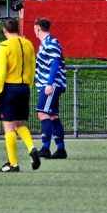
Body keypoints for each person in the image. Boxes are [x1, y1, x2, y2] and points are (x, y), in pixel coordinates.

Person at [0, 18, 41, 173]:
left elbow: (2, 71)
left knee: (8, 127)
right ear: (19, 29)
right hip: (24, 88)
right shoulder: (28, 44)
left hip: (9, 88)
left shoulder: (4, 45)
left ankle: (13, 164)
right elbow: (33, 66)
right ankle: (31, 147)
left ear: (4, 31)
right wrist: (29, 85)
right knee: (19, 124)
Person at [33, 17, 68, 159]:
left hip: (50, 84)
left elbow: (55, 64)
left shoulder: (50, 43)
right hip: (51, 83)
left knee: (42, 113)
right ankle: (60, 149)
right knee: (53, 116)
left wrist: (49, 84)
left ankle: (45, 147)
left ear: (38, 28)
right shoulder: (47, 43)